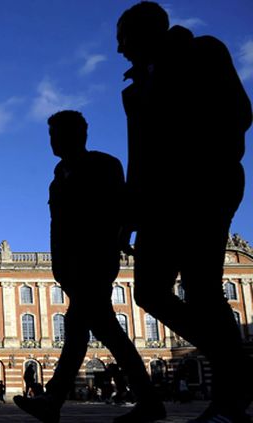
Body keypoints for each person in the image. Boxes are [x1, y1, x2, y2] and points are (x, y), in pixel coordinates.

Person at [117, 2, 252, 422]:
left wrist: (196, 156)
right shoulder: (135, 88)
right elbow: (137, 156)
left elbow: (240, 114)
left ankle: (230, 398)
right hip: (159, 200)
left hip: (206, 184)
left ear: (146, 32)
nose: (121, 50)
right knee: (149, 292)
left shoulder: (204, 51)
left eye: (124, 40)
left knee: (203, 288)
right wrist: (129, 214)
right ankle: (237, 364)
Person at [14, 110, 165, 423]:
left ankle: (54, 399)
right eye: (51, 135)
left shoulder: (104, 165)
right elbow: (58, 227)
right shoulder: (58, 175)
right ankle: (146, 400)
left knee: (88, 331)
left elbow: (124, 207)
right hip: (71, 267)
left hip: (96, 260)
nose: (52, 141)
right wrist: (59, 268)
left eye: (57, 134)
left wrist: (120, 241)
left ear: (79, 135)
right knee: (95, 332)